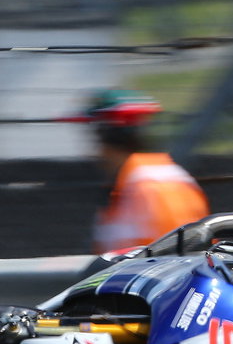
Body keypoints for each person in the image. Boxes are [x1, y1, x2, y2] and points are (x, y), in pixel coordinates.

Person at [63, 89, 209, 254]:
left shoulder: (152, 188)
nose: (91, 153)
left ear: (104, 140)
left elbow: (178, 259)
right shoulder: (134, 185)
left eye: (94, 140)